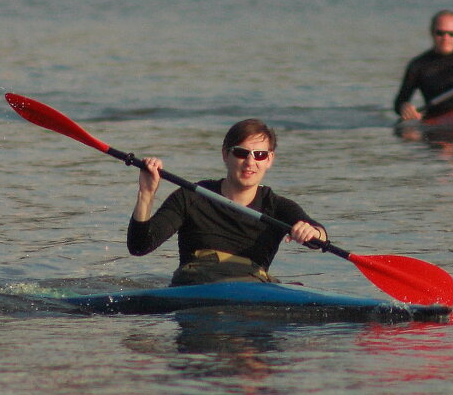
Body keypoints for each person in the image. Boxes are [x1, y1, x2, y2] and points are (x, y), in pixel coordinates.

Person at [127, 119, 327, 286]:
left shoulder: (277, 206)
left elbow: (321, 236)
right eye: (241, 153)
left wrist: (312, 232)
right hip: (196, 288)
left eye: (259, 155)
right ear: (225, 154)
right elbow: (139, 246)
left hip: (250, 292)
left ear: (269, 159)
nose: (250, 162)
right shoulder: (191, 196)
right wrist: (146, 193)